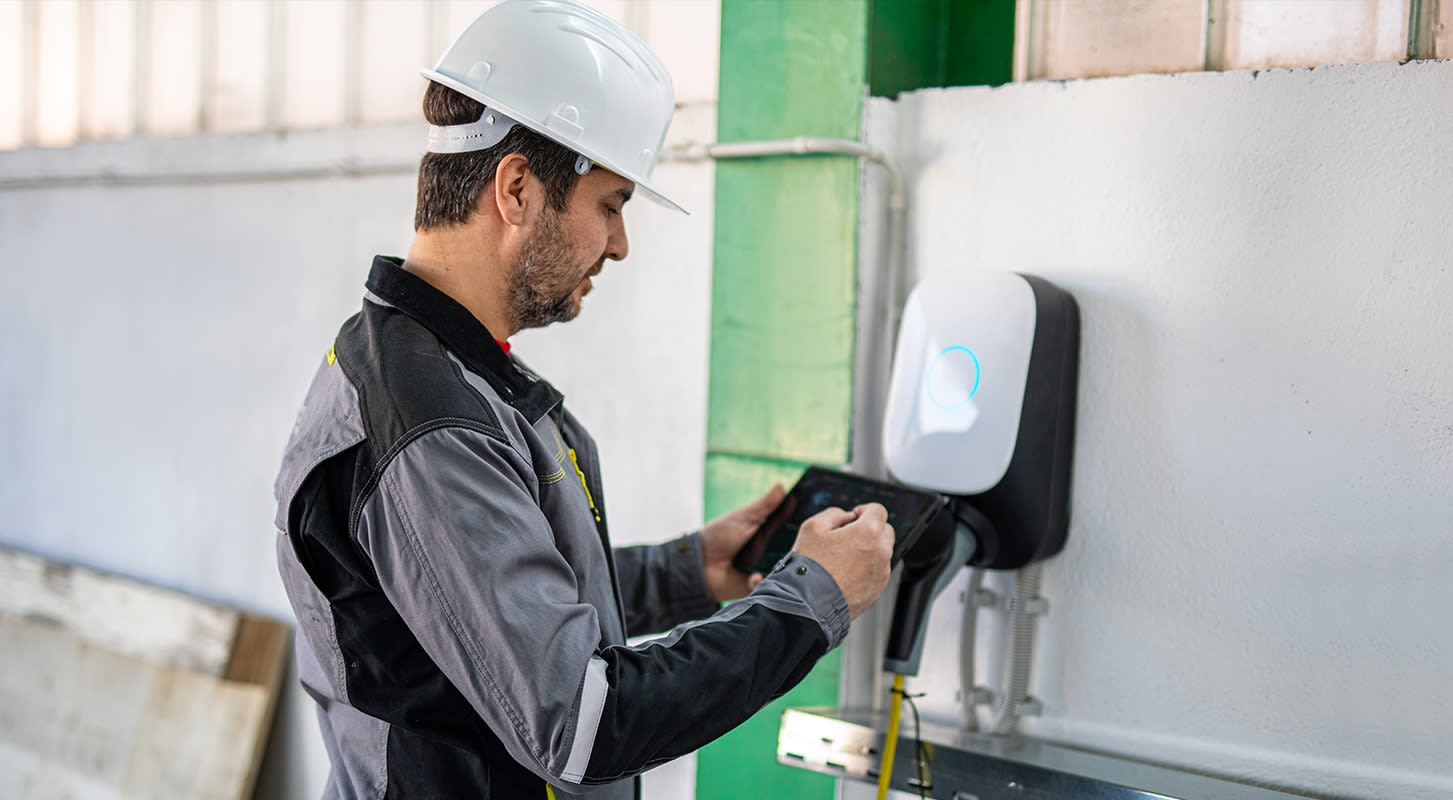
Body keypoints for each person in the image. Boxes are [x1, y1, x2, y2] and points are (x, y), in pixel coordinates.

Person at [273, 1, 894, 797]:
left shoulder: (422, 365)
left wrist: (686, 574)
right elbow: (585, 723)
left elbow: (483, 612)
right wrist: (811, 599)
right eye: (611, 204)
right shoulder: (431, 423)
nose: (620, 244)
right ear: (518, 187)